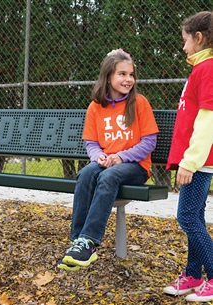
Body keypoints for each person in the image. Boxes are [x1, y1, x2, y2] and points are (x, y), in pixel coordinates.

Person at [57, 48, 159, 272]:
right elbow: (91, 143)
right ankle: (78, 240)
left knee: (108, 176)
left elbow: (149, 142)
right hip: (107, 163)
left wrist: (121, 156)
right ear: (108, 76)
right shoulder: (95, 107)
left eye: (131, 74)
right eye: (122, 74)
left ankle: (90, 241)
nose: (128, 79)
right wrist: (98, 156)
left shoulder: (139, 102)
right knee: (86, 173)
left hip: (135, 166)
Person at [163, 11, 213, 302]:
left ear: (199, 38)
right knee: (193, 216)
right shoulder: (201, 68)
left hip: (200, 161)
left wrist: (190, 162)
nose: (183, 48)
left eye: (185, 41)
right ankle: (194, 275)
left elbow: (207, 120)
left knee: (186, 217)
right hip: (199, 160)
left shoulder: (207, 69)